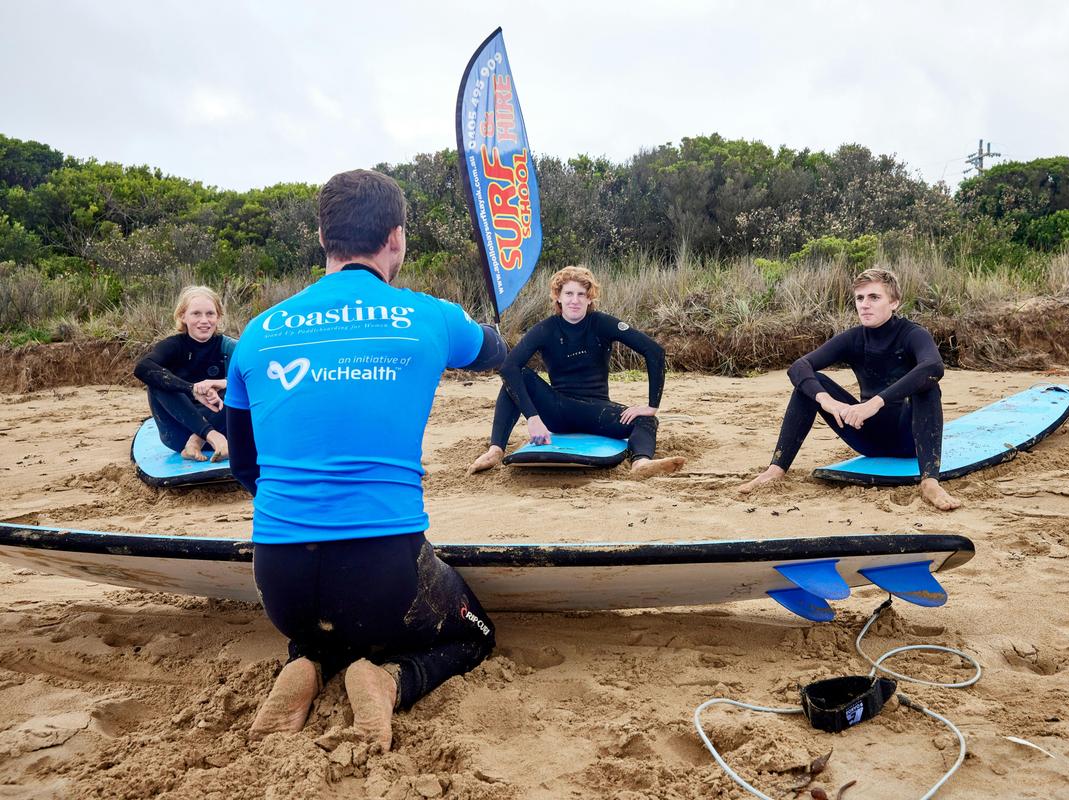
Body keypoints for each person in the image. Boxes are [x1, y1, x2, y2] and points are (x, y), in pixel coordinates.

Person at [224, 169, 508, 750]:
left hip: (279, 580)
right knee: (474, 633)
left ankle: (306, 663)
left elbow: (244, 466)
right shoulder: (429, 316)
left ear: (322, 237)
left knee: (324, 624)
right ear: (397, 238)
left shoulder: (255, 333)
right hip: (384, 575)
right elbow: (495, 349)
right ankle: (391, 681)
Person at [737, 268, 961, 511]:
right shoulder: (854, 339)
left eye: (874, 297)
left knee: (928, 386)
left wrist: (874, 403)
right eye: (860, 298)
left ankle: (929, 482)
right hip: (867, 437)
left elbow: (934, 366)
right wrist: (828, 402)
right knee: (811, 384)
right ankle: (776, 469)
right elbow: (799, 367)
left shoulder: (912, 335)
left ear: (895, 302)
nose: (865, 304)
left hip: (911, 441)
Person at [467, 266, 685, 479]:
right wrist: (533, 418)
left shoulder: (602, 323)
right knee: (518, 376)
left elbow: (654, 351)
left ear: (590, 299)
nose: (575, 300)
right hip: (558, 411)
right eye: (569, 293)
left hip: (597, 412)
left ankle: (641, 463)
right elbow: (508, 367)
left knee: (646, 420)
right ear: (558, 298)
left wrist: (651, 406)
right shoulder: (546, 329)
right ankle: (495, 450)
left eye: (582, 294)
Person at [133, 285, 234, 462]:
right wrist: (191, 388)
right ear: (183, 316)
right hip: (179, 435)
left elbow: (261, 377)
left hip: (225, 432)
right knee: (157, 381)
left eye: (210, 314)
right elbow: (142, 368)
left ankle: (197, 440)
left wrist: (222, 383)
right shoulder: (173, 345)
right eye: (196, 314)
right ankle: (207, 435)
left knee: (239, 386)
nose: (204, 320)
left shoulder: (228, 347)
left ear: (218, 317)